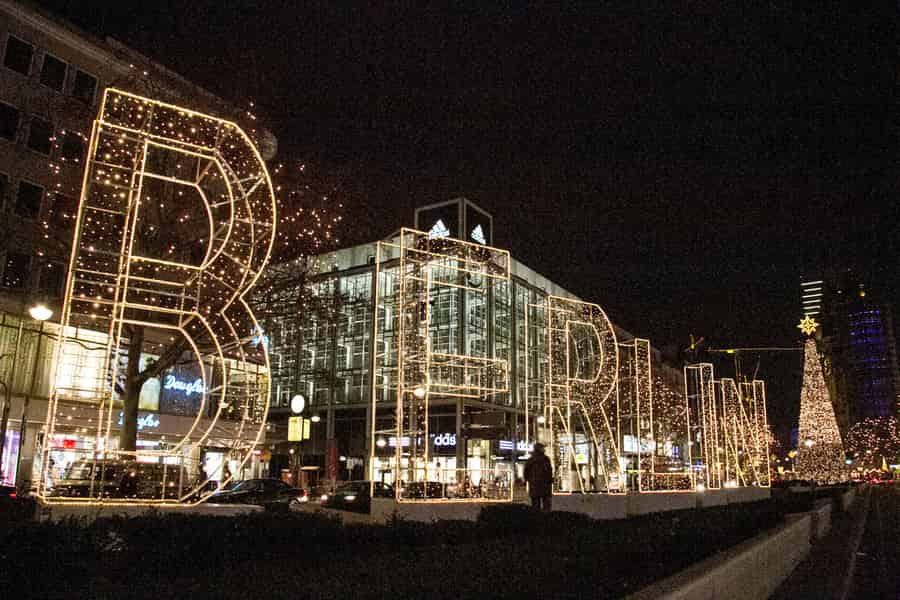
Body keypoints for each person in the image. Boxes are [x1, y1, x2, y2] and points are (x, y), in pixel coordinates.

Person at [523, 443, 553, 511]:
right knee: (546, 504)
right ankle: (546, 518)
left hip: (535, 485)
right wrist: (550, 480)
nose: (544, 449)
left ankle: (537, 518)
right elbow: (549, 471)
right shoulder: (545, 459)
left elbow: (526, 472)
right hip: (544, 485)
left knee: (536, 505)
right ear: (539, 449)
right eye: (543, 448)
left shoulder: (531, 460)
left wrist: (526, 480)